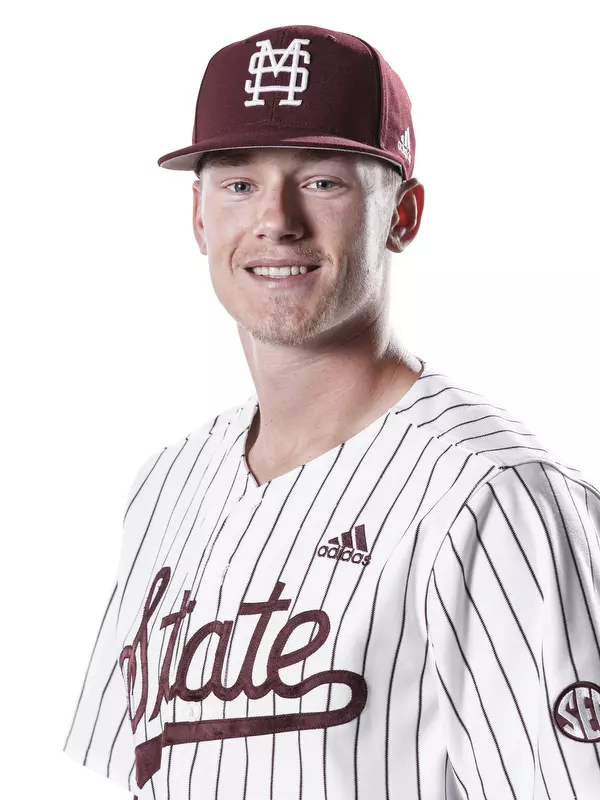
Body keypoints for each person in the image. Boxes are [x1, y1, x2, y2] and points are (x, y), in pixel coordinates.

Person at [63, 23, 600, 800]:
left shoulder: (495, 496)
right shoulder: (167, 485)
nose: (275, 220)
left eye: (323, 181)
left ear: (402, 216)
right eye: (239, 183)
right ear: (199, 217)